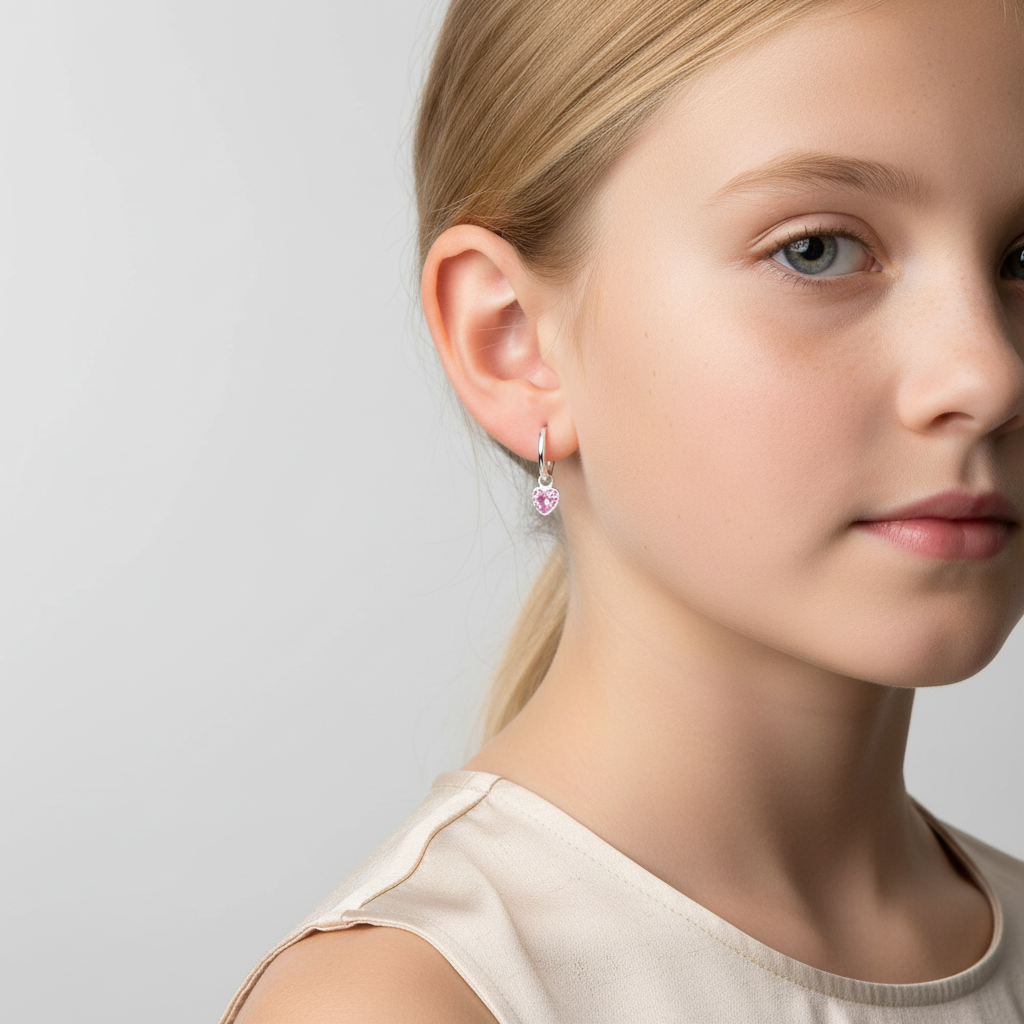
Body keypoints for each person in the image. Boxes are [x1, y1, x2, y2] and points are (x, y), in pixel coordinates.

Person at [221, 0, 1024, 1019]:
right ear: (514, 341)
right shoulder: (400, 1003)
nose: (989, 374)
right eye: (817, 249)